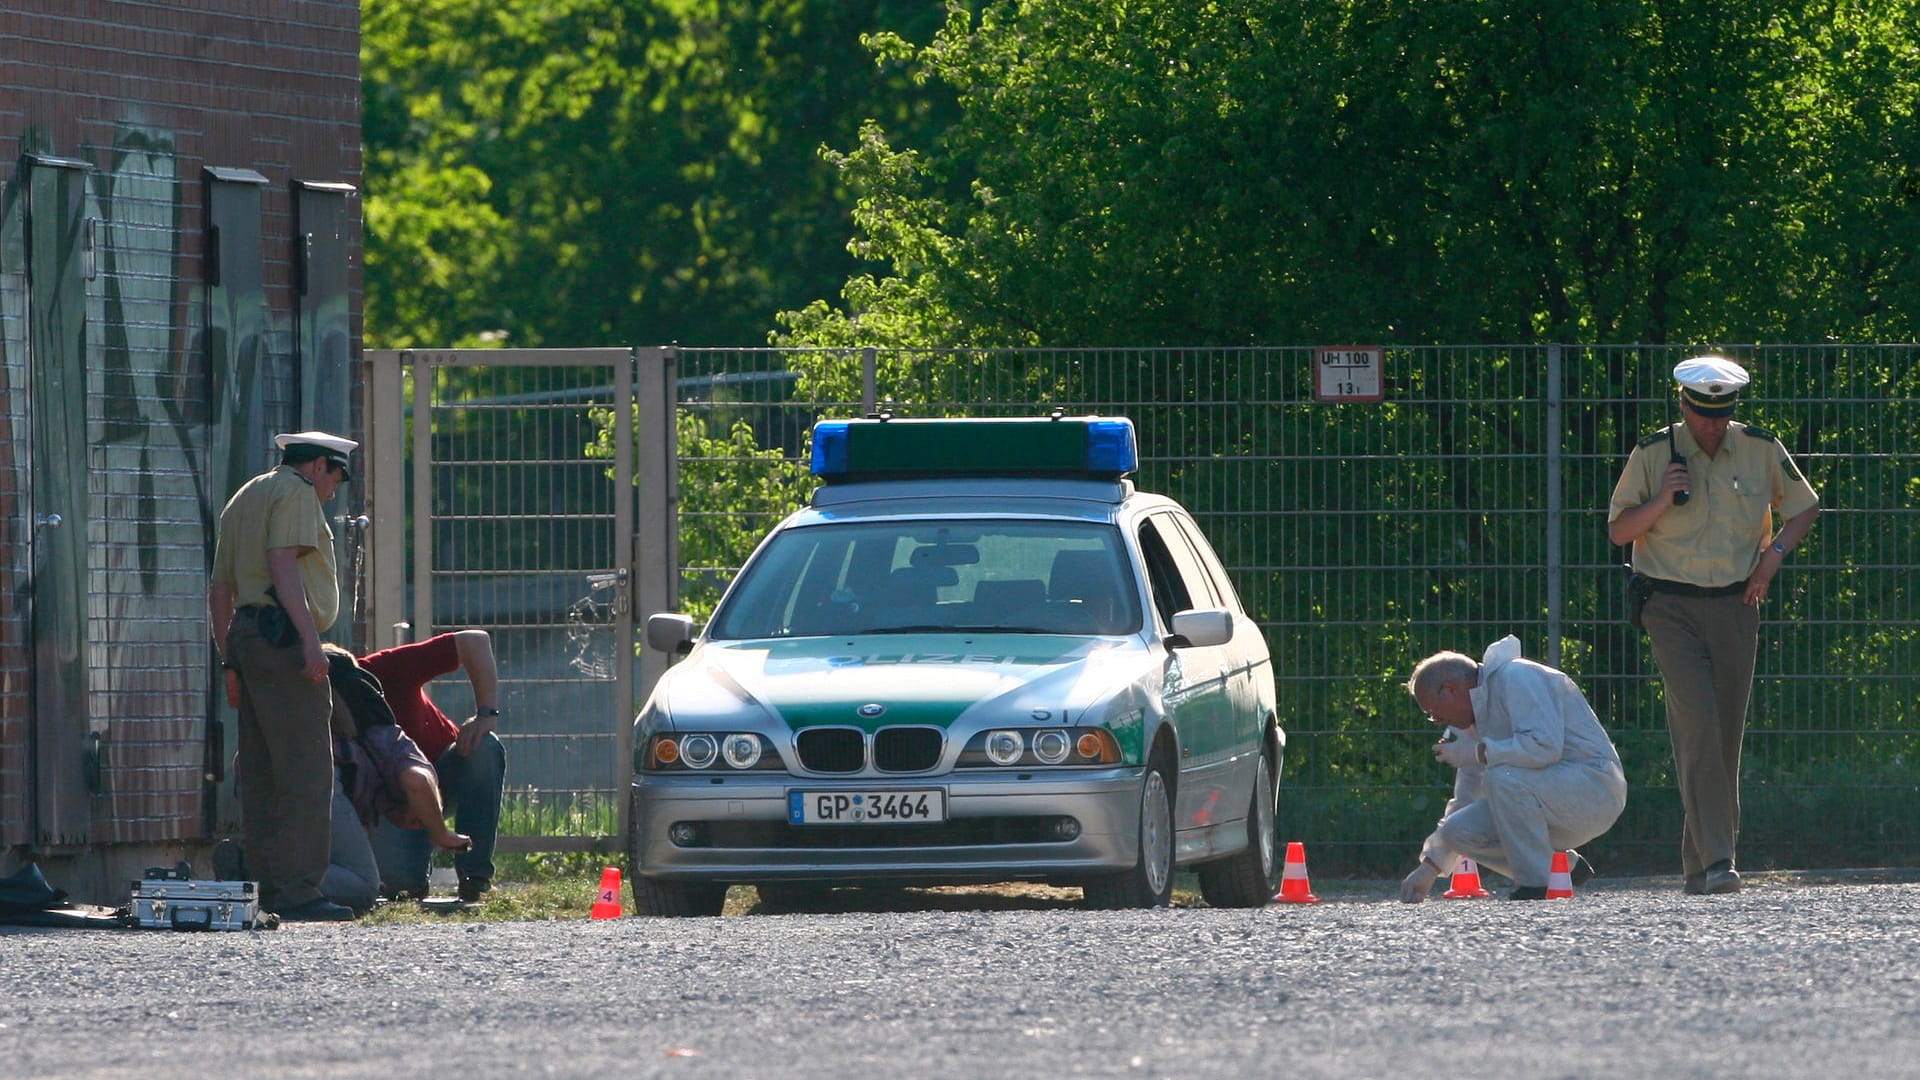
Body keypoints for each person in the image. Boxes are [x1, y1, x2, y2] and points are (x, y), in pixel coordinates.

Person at [1608, 356, 1820, 895]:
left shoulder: (1759, 447)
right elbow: (1618, 531)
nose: (1712, 425)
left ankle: (1698, 867)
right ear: (1683, 405)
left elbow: (1805, 506)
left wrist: (1771, 560)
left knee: (1724, 733)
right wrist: (1661, 499)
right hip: (1669, 605)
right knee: (1698, 723)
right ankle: (1723, 859)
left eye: (1721, 414)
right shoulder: (1654, 453)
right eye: (1703, 415)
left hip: (1735, 603)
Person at [208, 430, 358, 922]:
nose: (335, 488)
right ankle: (297, 891)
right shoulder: (295, 492)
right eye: (336, 475)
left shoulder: (246, 495)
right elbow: (283, 564)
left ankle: (267, 884)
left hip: (248, 639)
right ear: (317, 465)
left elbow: (220, 590)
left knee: (262, 769)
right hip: (285, 639)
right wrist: (311, 641)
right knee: (305, 768)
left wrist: (230, 659)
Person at [1399, 635, 1628, 902]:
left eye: (1433, 712)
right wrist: (1430, 867)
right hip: (1550, 800)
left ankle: (1537, 885)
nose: (1436, 721)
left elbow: (1544, 746)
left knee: (1502, 776)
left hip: (1594, 789)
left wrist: (1480, 752)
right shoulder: (1476, 719)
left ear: (1450, 689)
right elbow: (1465, 799)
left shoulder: (1518, 677)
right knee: (1457, 830)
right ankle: (1561, 870)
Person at [321, 645, 471, 911]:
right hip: (324, 788)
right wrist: (440, 832)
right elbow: (417, 781)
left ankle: (259, 867)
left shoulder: (296, 722)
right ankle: (257, 875)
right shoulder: (380, 735)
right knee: (364, 887)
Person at [359, 630, 505, 902]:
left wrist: (486, 714)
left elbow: (475, 641)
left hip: (444, 775)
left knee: (485, 748)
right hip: (393, 805)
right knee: (399, 890)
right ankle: (414, 872)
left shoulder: (381, 670)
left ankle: (475, 876)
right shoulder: (316, 719)